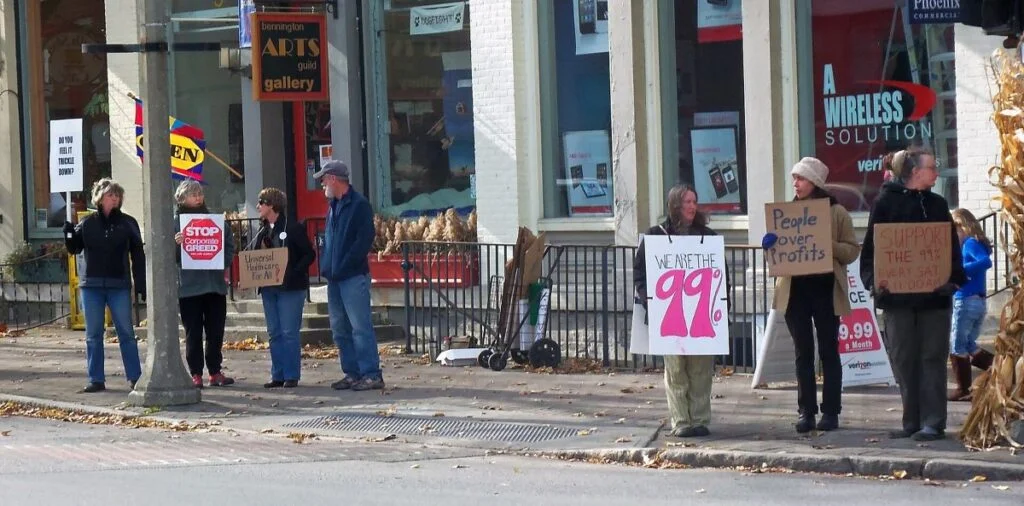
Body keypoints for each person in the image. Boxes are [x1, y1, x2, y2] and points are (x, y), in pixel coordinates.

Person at [861, 147, 967, 442]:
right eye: (932, 167)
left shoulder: (937, 204)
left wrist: (953, 280)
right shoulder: (885, 204)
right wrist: (874, 282)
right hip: (897, 300)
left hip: (935, 298)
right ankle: (912, 420)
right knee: (904, 358)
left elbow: (950, 250)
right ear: (915, 172)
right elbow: (871, 251)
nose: (936, 172)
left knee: (932, 358)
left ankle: (934, 422)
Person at [765, 158, 860, 433]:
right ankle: (806, 411)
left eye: (801, 178)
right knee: (802, 353)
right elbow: (778, 252)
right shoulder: (786, 213)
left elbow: (851, 251)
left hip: (826, 290)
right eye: (794, 178)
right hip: (796, 292)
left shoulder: (837, 212)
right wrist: (769, 245)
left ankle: (831, 412)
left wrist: (824, 242)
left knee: (829, 351)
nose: (795, 183)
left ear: (815, 182)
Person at [633, 184, 718, 437]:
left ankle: (700, 419)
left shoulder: (708, 237)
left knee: (701, 369)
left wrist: (722, 306)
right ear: (674, 206)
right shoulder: (655, 236)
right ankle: (681, 421)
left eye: (694, 201)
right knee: (675, 368)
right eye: (686, 202)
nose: (692, 207)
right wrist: (649, 299)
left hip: (700, 314)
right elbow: (640, 273)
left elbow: (719, 274)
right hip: (669, 314)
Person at [63, 178, 144, 393]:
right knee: (94, 333)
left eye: (117, 195)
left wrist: (141, 282)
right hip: (92, 285)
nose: (114, 198)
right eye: (110, 194)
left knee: (126, 332)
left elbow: (138, 254)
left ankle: (135, 376)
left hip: (119, 284)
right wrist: (69, 232)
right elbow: (74, 249)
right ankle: (96, 378)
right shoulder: (88, 223)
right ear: (100, 198)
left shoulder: (128, 223)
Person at [314, 161, 385, 392]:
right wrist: (327, 265)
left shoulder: (359, 205)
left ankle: (372, 374)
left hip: (353, 276)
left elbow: (364, 240)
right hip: (335, 278)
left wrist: (344, 264)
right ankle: (352, 373)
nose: (322, 183)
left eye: (324, 178)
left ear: (334, 178)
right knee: (340, 328)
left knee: (359, 326)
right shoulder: (333, 205)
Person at [173, 179, 236, 389]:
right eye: (193, 194)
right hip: (189, 288)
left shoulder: (215, 220)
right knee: (193, 333)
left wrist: (223, 261)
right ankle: (196, 374)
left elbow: (228, 244)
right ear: (182, 198)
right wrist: (176, 244)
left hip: (215, 285)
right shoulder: (174, 224)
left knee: (215, 331)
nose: (198, 197)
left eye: (200, 193)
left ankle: (215, 371)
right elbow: (166, 255)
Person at [253, 187, 316, 388]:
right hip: (269, 288)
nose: (258, 207)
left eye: (261, 203)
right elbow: (255, 259)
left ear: (272, 205)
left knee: (289, 332)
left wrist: (293, 272)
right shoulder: (262, 230)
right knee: (274, 332)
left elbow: (309, 254)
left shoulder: (293, 227)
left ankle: (291, 374)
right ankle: (277, 374)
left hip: (290, 288)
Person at [948, 208, 995, 401]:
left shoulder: (970, 244)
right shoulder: (973, 243)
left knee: (956, 344)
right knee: (968, 345)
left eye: (955, 230)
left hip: (966, 300)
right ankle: (1000, 370)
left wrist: (960, 269)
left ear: (963, 227)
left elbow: (985, 262)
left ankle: (963, 389)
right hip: (975, 301)